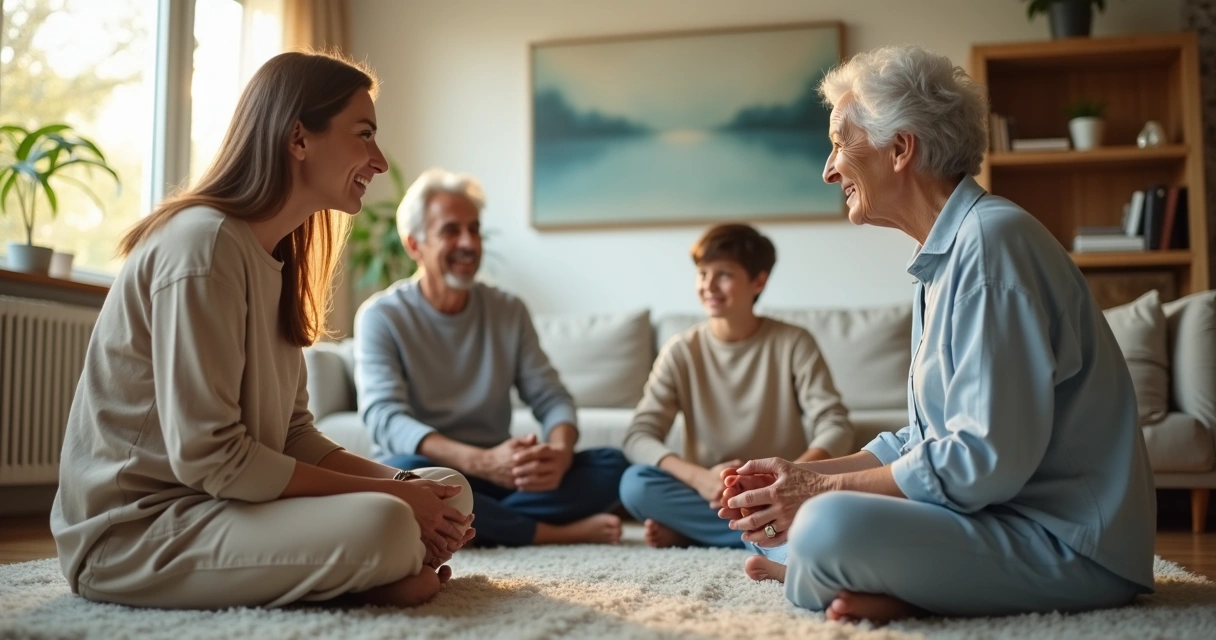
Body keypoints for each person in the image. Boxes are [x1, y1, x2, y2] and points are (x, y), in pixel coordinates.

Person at [718, 44, 1155, 625]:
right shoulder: (943, 258)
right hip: (1000, 520)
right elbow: (926, 440)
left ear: (901, 148)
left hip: (1069, 544)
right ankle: (852, 577)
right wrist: (800, 478)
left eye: (839, 143)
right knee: (779, 517)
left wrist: (815, 497)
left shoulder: (992, 246)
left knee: (823, 523)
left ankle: (828, 571)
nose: (828, 169)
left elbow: (982, 461)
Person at [49, 51, 475, 610]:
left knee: (450, 490)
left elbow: (294, 435)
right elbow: (212, 458)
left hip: (224, 507)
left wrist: (406, 489)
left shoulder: (273, 259)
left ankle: (366, 572)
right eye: (364, 134)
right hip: (136, 534)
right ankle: (369, 577)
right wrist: (391, 498)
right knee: (390, 525)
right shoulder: (201, 246)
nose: (378, 161)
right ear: (299, 138)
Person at [355, 167, 629, 547]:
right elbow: (385, 418)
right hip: (435, 471)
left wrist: (561, 453)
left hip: (503, 477)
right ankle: (548, 532)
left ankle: (477, 522)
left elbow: (552, 397)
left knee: (613, 465)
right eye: (451, 230)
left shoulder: (508, 310)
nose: (469, 243)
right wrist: (478, 461)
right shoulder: (381, 316)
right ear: (414, 245)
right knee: (403, 475)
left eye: (474, 228)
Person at [618, 223, 852, 555]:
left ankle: (700, 532)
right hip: (712, 494)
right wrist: (701, 480)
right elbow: (638, 435)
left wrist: (794, 477)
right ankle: (770, 534)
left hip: (781, 490)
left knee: (833, 500)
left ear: (758, 281)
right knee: (636, 485)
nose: (708, 286)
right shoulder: (680, 350)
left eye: (724, 274)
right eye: (702, 274)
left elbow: (835, 423)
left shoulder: (793, 342)